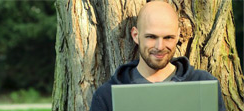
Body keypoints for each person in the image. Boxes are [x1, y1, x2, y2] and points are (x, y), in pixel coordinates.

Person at [90, 1, 226, 111]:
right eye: (151, 37)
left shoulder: (203, 85)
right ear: (135, 36)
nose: (160, 47)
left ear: (178, 36)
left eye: (168, 37)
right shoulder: (107, 96)